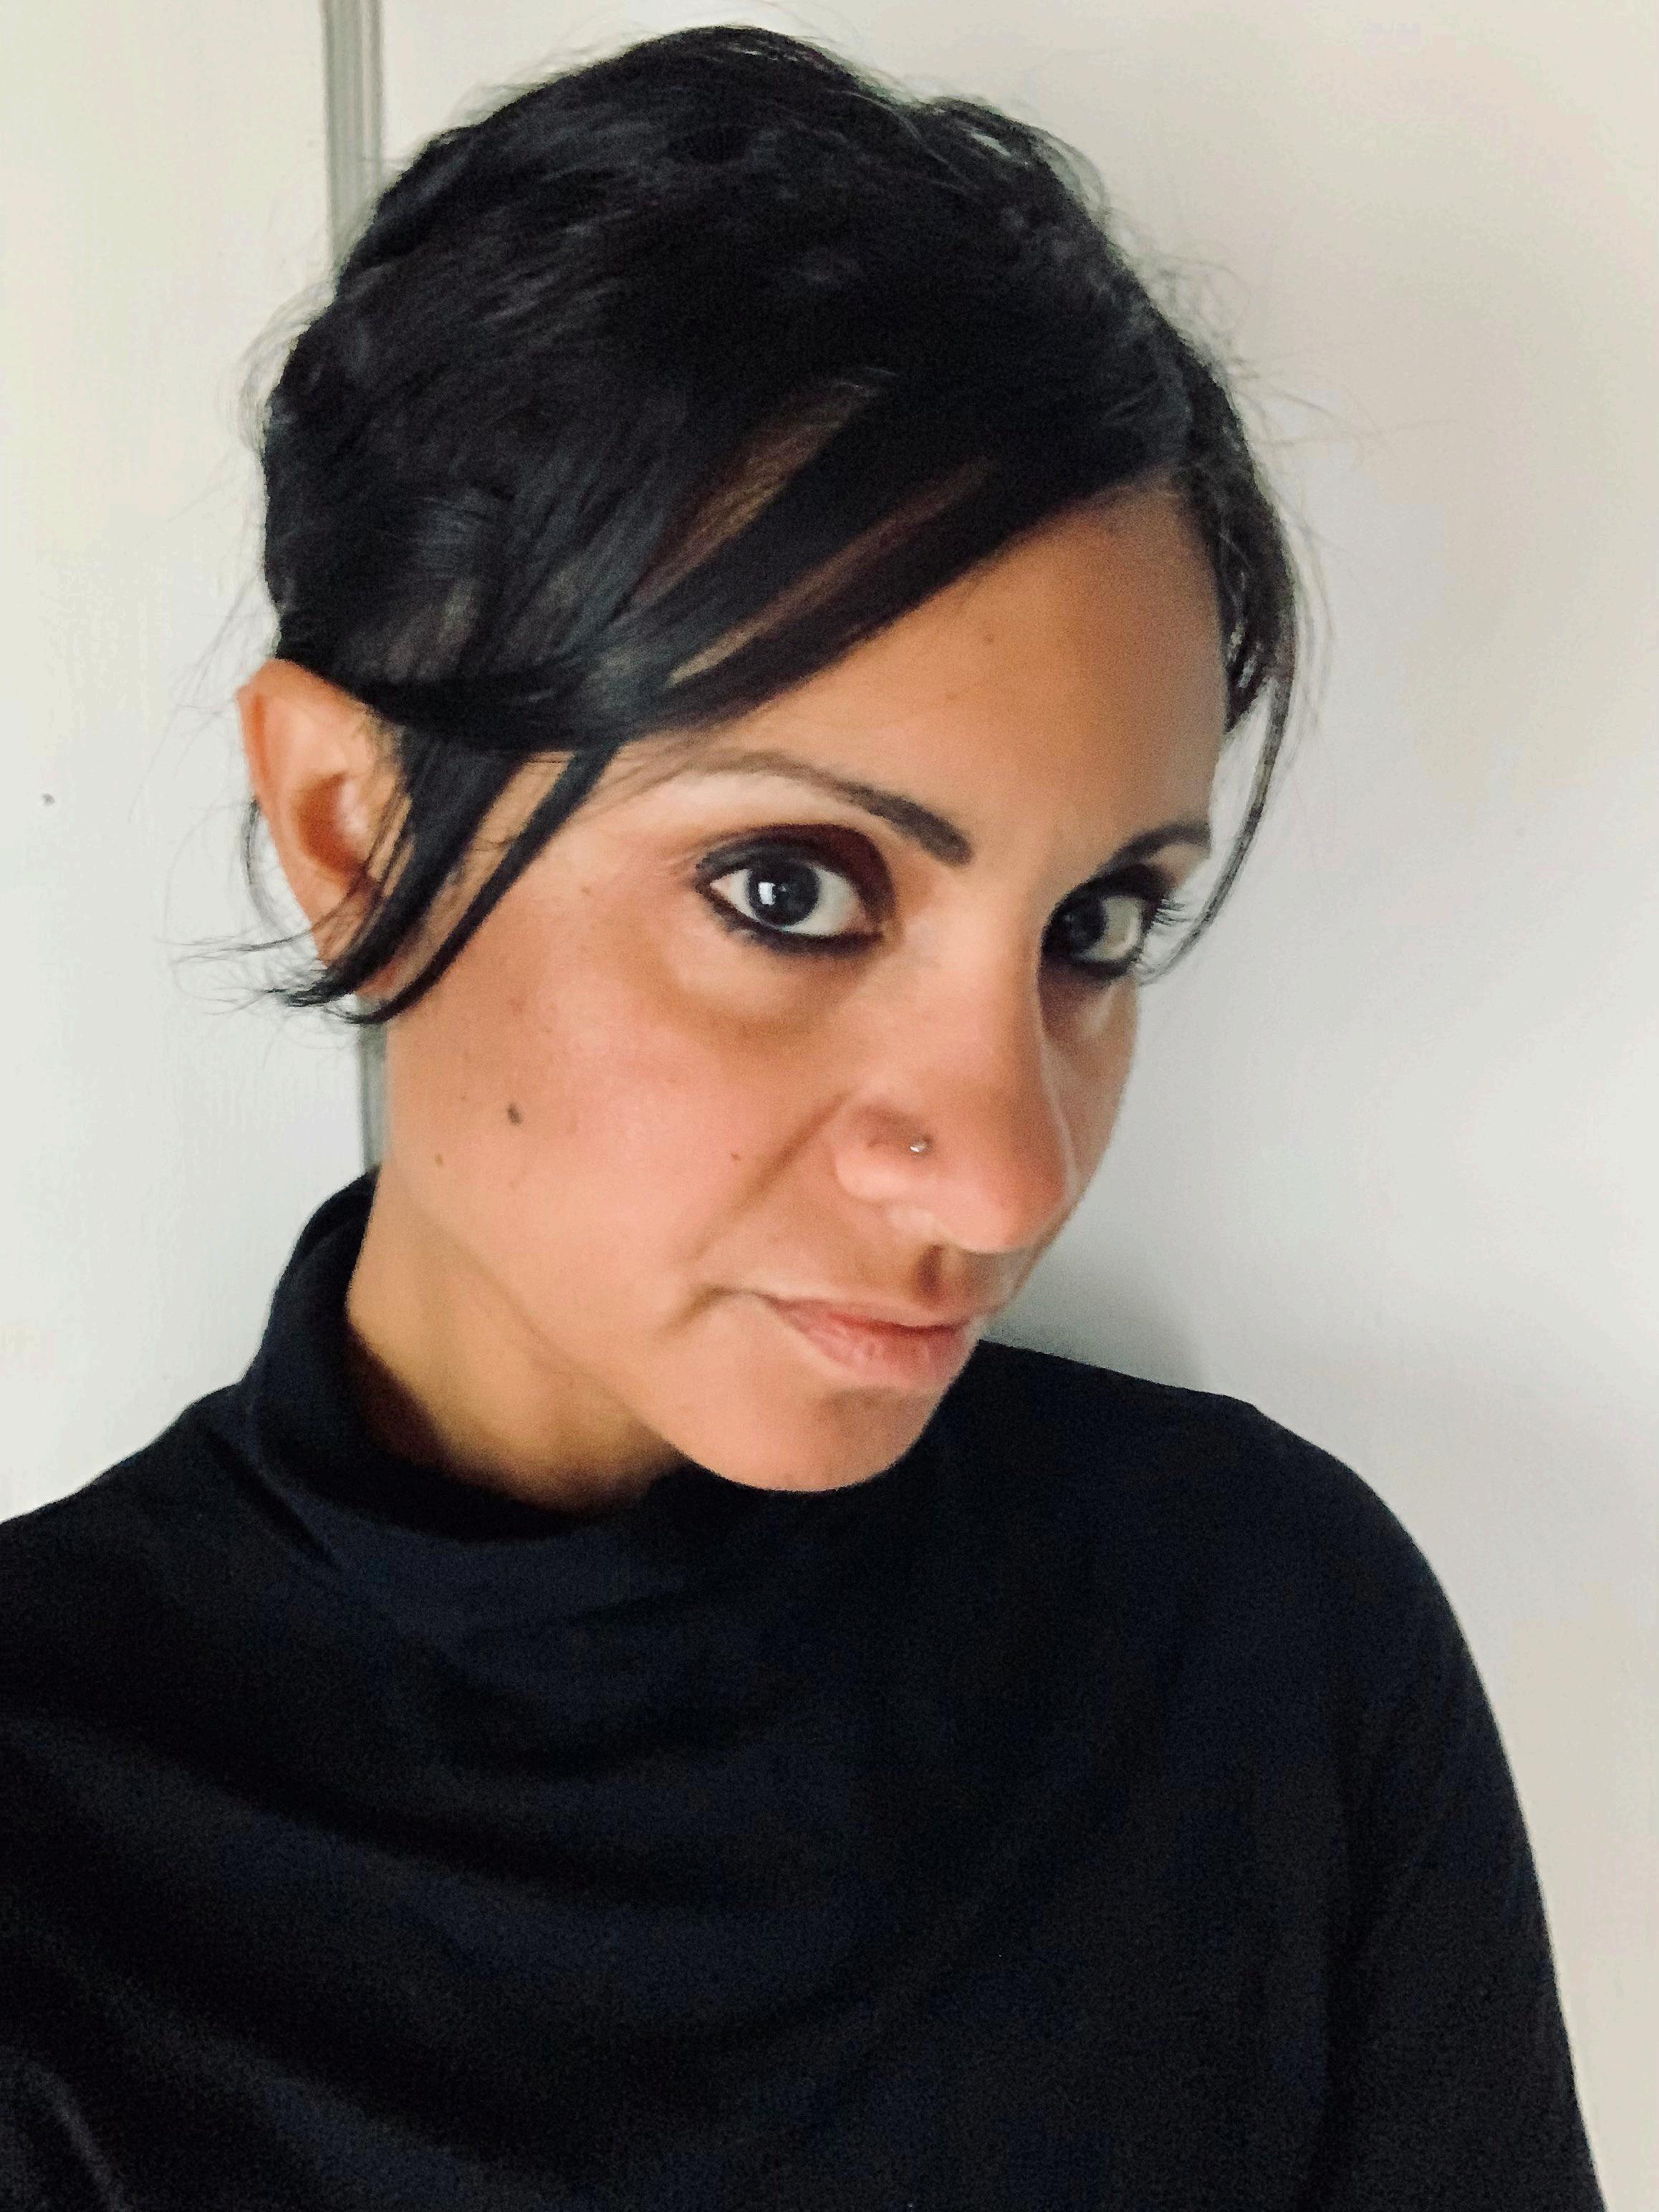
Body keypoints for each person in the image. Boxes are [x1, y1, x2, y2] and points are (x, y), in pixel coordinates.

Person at [0, 25, 1605, 2211]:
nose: (1007, 1176)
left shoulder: (1260, 1649)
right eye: (788, 889)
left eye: (1094, 927)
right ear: (352, 831)